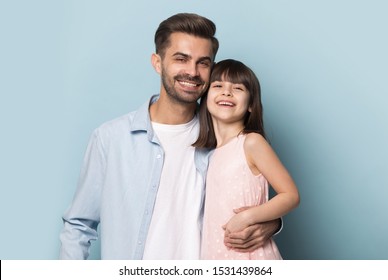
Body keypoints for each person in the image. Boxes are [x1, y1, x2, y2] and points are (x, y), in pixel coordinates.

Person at [59, 13, 281, 260]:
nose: (192, 72)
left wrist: (271, 223)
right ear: (157, 62)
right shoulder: (110, 139)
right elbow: (78, 226)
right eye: (181, 59)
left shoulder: (224, 139)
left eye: (203, 63)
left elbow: (243, 194)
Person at [194, 59, 300, 259]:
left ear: (251, 104)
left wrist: (247, 217)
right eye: (218, 86)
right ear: (205, 98)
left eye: (237, 88)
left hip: (250, 256)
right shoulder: (208, 154)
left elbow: (291, 195)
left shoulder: (251, 142)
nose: (226, 92)